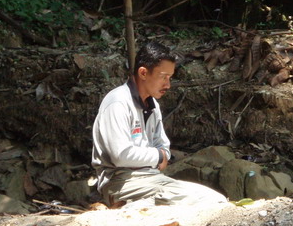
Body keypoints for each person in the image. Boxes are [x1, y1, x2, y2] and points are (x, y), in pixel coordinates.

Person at [91, 41, 228, 207]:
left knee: (215, 198)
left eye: (169, 78)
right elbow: (121, 156)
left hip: (151, 178)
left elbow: (164, 146)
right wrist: (158, 156)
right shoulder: (118, 102)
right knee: (203, 202)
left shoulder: (152, 103)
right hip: (121, 182)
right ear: (143, 73)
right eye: (163, 77)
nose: (168, 85)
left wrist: (160, 155)